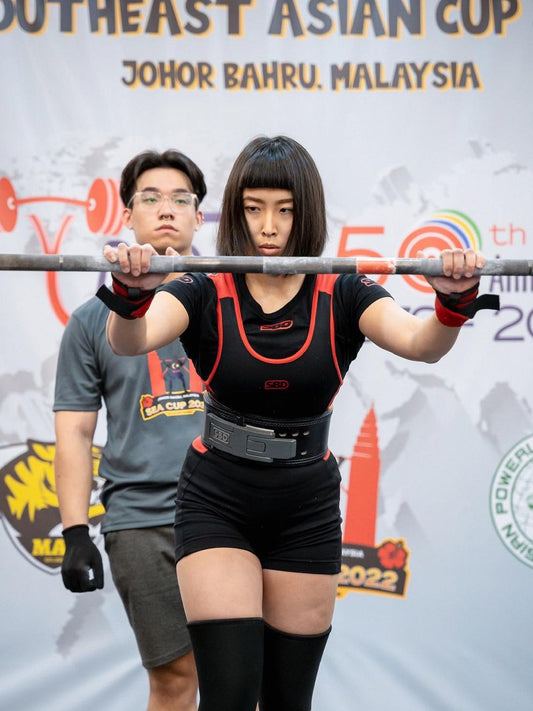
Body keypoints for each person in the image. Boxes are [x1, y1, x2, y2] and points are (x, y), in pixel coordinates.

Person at [95, 136, 499, 711]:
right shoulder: (201, 285)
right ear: (235, 209)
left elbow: (421, 345)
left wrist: (452, 304)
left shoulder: (345, 289)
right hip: (218, 497)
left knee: (288, 702)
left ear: (306, 211)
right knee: (229, 698)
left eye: (285, 210)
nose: (268, 226)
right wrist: (131, 296)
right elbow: (131, 340)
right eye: (254, 208)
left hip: (305, 503)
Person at [54, 149, 207, 711]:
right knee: (174, 678)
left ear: (199, 216)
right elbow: (73, 433)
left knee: (251, 676)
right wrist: (74, 532)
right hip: (141, 519)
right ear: (127, 214)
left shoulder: (240, 297)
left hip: (236, 508)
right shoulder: (92, 321)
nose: (166, 209)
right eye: (151, 198)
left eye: (180, 199)